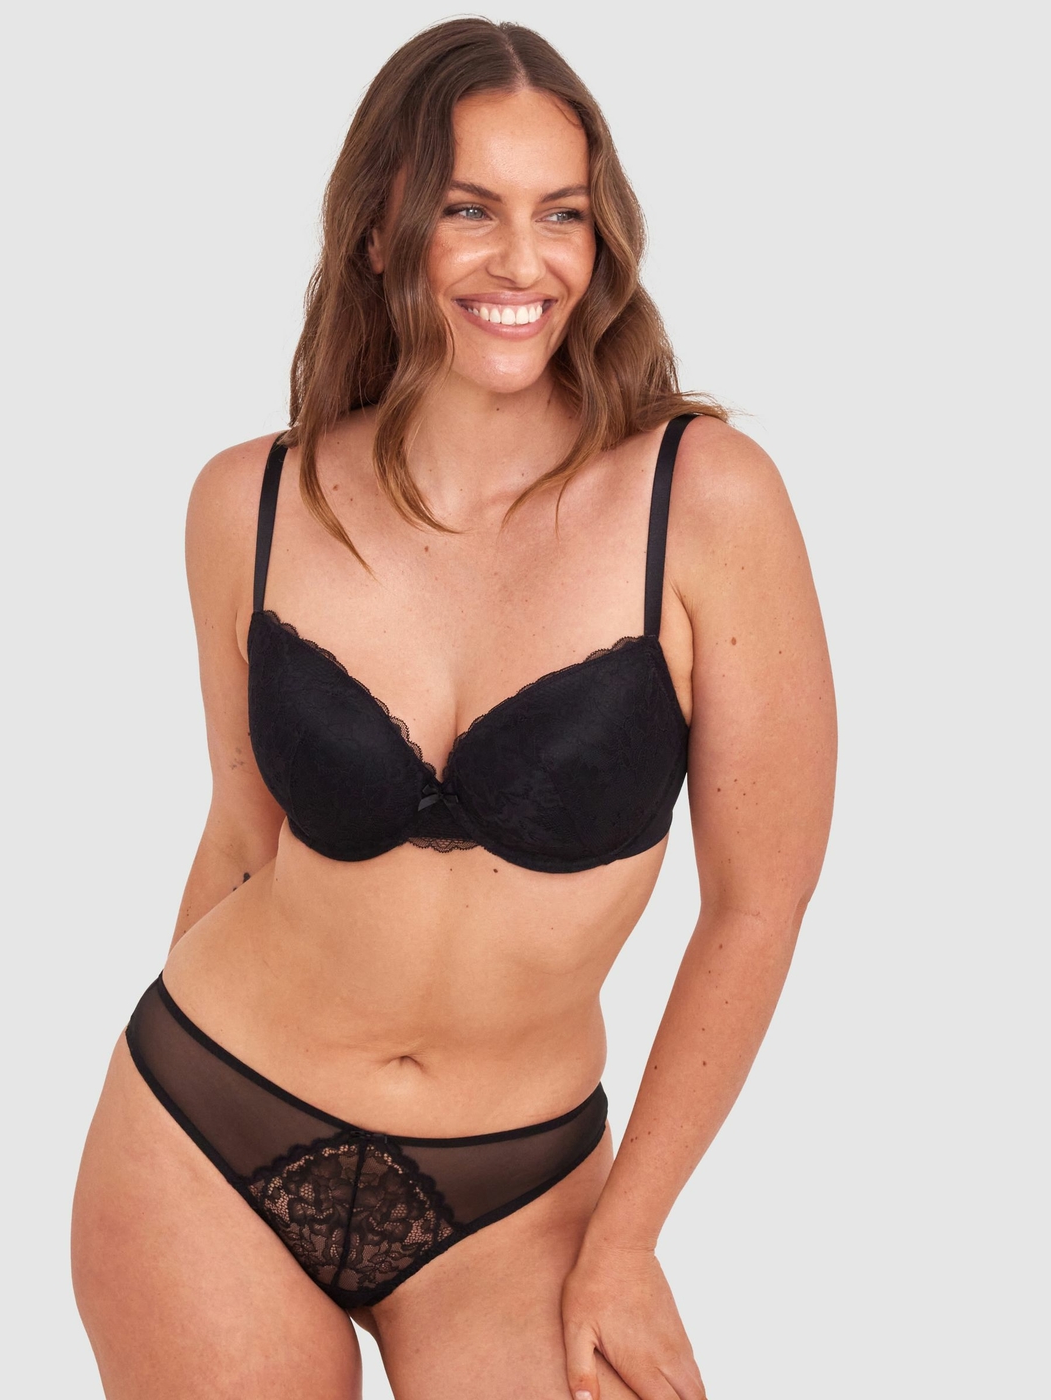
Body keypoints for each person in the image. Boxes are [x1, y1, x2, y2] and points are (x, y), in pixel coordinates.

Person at [71, 18, 836, 1400]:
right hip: (205, 1127)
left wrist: (628, 1240)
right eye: (468, 209)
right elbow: (242, 831)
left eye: (562, 214)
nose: (521, 261)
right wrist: (171, 1101)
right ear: (380, 230)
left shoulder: (703, 499)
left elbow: (755, 907)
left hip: (519, 1193)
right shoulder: (249, 502)